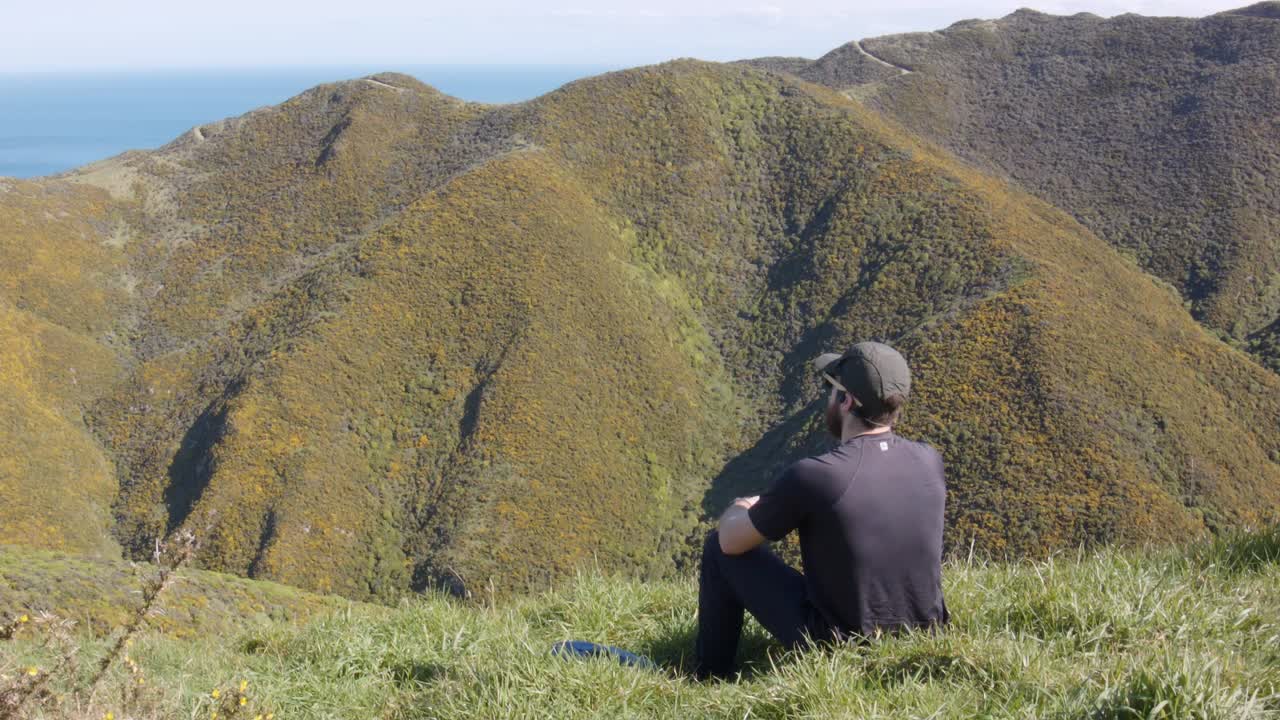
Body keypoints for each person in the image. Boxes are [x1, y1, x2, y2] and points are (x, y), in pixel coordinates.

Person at [693, 341, 949, 680]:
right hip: (924, 637)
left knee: (716, 548)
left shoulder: (815, 476)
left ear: (846, 401)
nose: (827, 398)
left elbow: (731, 542)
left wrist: (743, 505)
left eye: (830, 389)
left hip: (839, 645)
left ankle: (709, 676)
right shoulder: (929, 460)